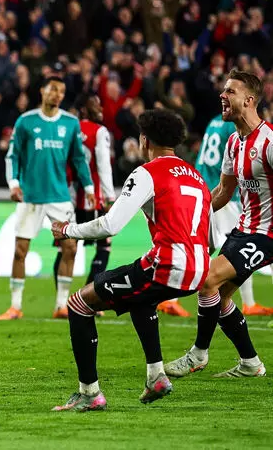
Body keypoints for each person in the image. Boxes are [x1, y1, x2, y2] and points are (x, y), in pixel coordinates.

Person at [51, 109, 211, 411]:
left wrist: (68, 230)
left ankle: (89, 394)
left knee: (79, 304)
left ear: (145, 140)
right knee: (140, 299)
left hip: (168, 265)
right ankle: (156, 377)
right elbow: (211, 236)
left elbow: (111, 224)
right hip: (200, 268)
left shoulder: (147, 173)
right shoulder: (196, 177)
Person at [165, 70, 270, 379]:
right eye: (223, 90)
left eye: (230, 91)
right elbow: (224, 191)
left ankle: (198, 353)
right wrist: (191, 213)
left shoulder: (269, 142)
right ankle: (250, 362)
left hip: (267, 234)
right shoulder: (234, 143)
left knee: (208, 279)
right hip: (245, 229)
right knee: (219, 295)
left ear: (249, 100)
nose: (222, 96)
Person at [0, 77, 95, 321]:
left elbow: (79, 159)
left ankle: (61, 305)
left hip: (59, 195)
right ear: (42, 91)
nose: (57, 95)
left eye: (61, 91)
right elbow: (13, 156)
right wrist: (14, 184)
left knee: (70, 247)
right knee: (20, 250)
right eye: (53, 89)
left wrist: (89, 187)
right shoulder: (26, 121)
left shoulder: (70, 123)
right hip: (30, 195)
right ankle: (15, 306)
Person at [158, 113, 273, 317]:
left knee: (203, 245)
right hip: (219, 187)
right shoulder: (236, 128)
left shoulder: (214, 121)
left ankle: (170, 297)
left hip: (203, 183)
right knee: (240, 247)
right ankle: (248, 304)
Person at [53, 94, 116, 308]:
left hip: (68, 195)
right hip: (93, 197)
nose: (100, 108)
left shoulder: (69, 129)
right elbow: (103, 166)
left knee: (66, 246)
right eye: (95, 104)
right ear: (84, 109)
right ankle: (88, 300)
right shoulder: (99, 131)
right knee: (103, 245)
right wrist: (109, 197)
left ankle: (62, 301)